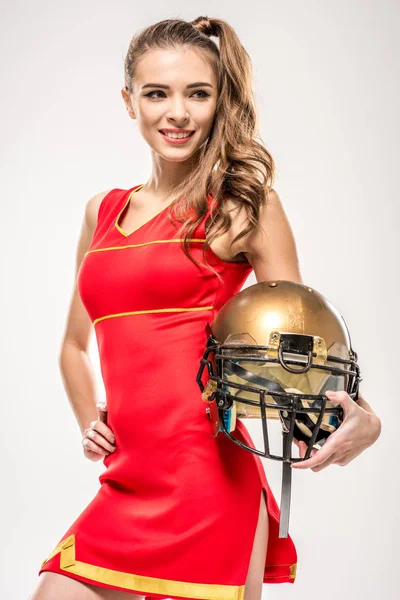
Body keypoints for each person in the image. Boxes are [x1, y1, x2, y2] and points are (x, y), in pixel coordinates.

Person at [30, 16, 381, 600]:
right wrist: (87, 419)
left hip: (208, 484)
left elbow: (298, 349)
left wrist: (362, 417)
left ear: (220, 102)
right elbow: (73, 344)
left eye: (199, 93)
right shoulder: (103, 212)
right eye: (157, 93)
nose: (178, 113)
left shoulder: (244, 207)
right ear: (128, 101)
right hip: (125, 483)